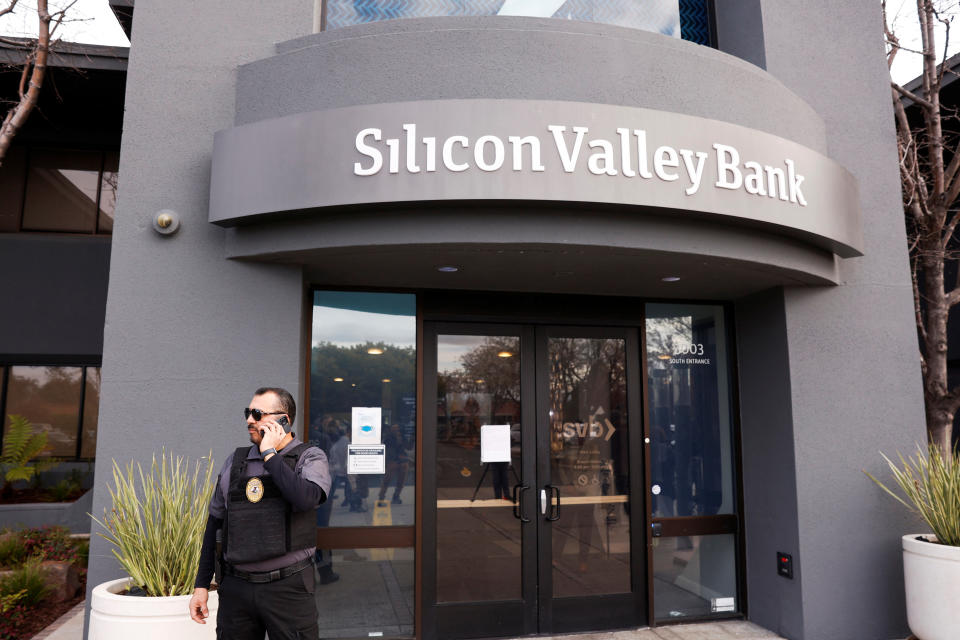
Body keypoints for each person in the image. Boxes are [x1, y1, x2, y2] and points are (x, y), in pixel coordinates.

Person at [189, 387, 331, 640]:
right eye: (248, 412)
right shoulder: (236, 461)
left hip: (288, 588)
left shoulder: (309, 457)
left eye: (257, 414)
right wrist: (201, 585)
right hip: (237, 590)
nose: (249, 420)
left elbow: (306, 498)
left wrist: (270, 454)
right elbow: (214, 525)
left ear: (284, 420)